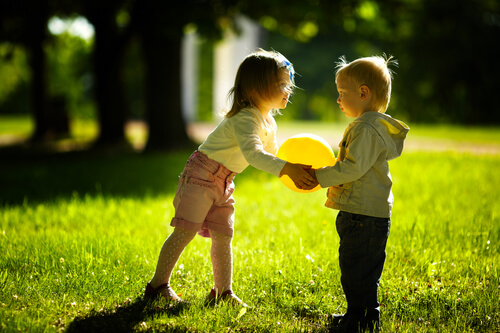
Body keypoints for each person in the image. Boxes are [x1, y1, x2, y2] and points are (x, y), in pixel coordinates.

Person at [144, 49, 317, 307]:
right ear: (256, 88)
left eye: (288, 82)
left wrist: (297, 167)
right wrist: (286, 167)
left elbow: (273, 154)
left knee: (223, 234)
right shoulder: (246, 119)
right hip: (203, 174)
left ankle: (223, 292)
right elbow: (256, 155)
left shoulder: (268, 122)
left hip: (225, 181)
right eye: (282, 83)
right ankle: (158, 285)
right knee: (185, 231)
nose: (288, 88)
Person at [306, 55, 409, 332]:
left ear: (363, 93)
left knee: (358, 271)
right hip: (366, 214)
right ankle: (358, 315)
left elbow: (352, 168)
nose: (338, 100)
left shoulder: (365, 128)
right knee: (358, 271)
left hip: (362, 216)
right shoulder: (370, 126)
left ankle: (362, 321)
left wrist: (319, 176)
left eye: (342, 93)